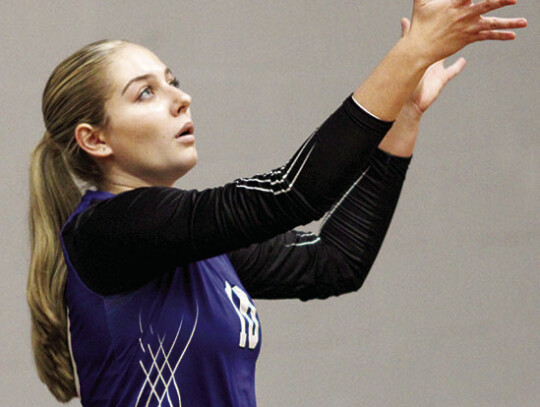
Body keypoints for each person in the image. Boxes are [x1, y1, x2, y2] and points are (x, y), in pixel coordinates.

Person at [27, 1, 526, 406]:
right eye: (144, 94)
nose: (181, 98)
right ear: (94, 140)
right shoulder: (107, 232)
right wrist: (414, 50)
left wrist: (405, 116)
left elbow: (332, 262)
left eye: (171, 81)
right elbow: (293, 192)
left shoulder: (189, 247)